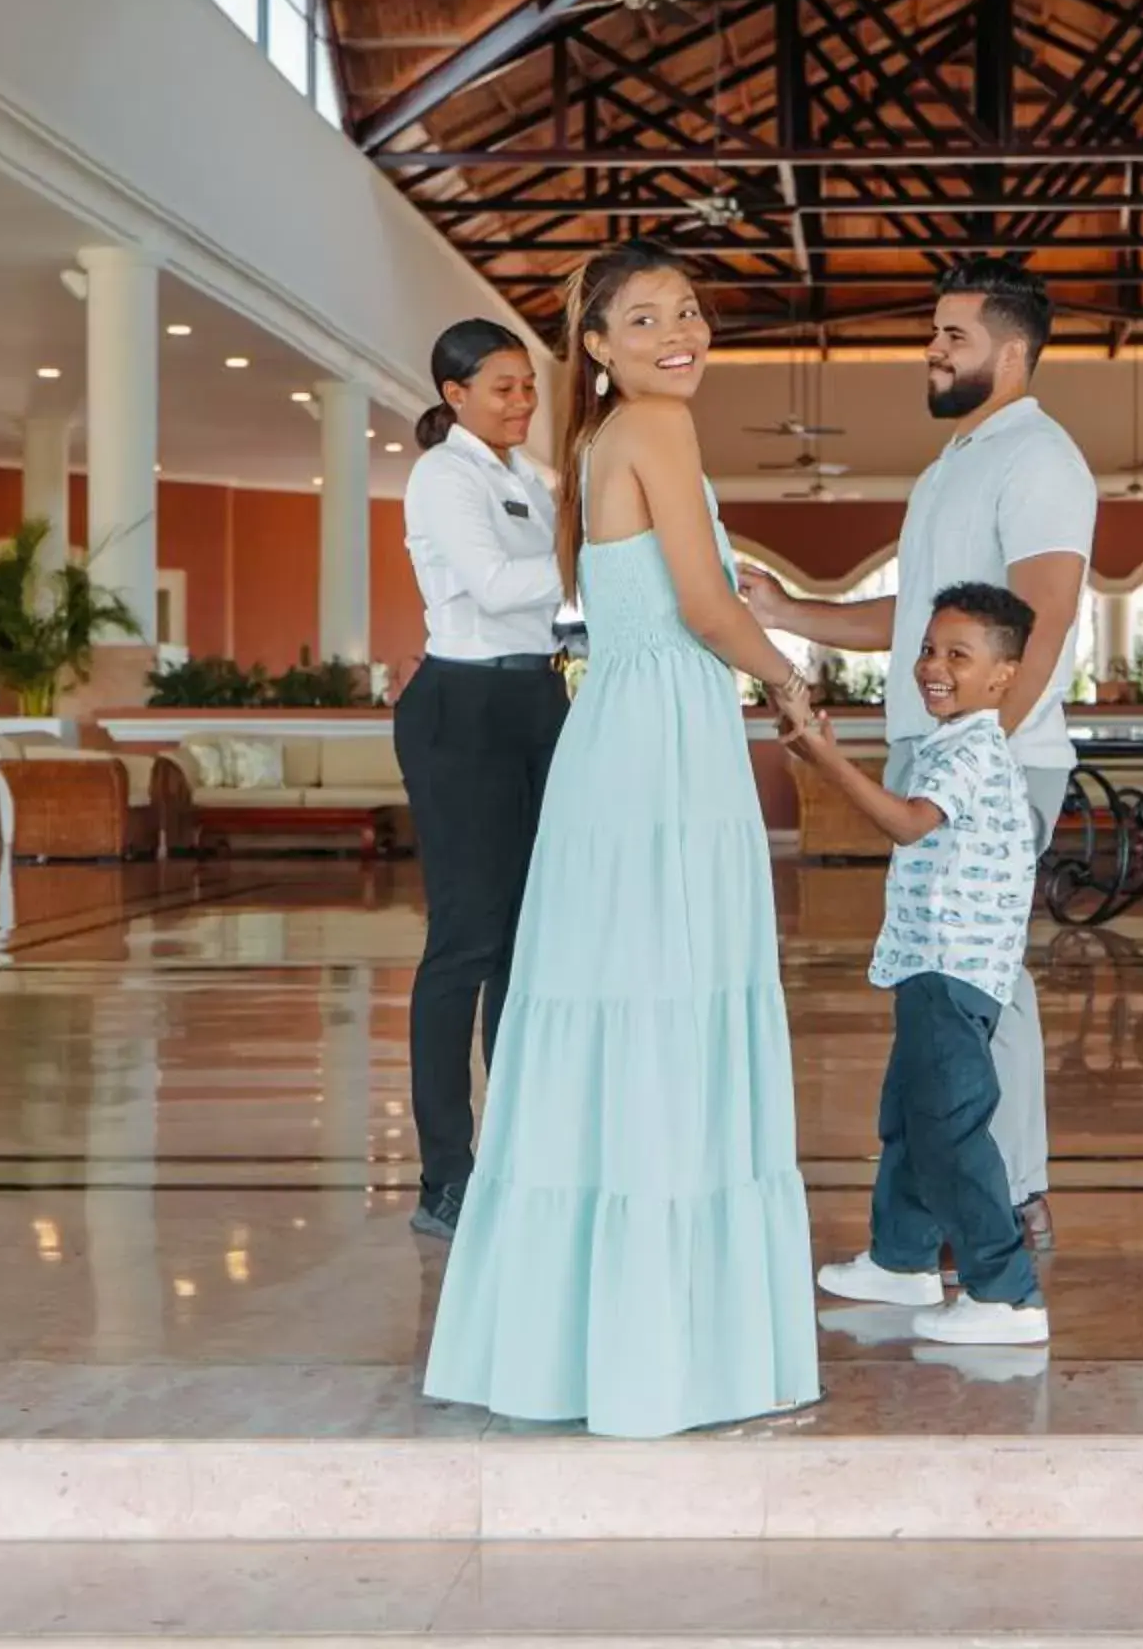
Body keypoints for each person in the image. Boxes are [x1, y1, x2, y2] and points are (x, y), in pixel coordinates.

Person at [423, 238, 823, 1438]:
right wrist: (791, 681)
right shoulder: (652, 428)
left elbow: (670, 596)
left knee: (619, 996)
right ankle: (671, 1349)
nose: (676, 334)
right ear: (594, 346)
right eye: (642, 319)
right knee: (674, 990)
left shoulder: (597, 442)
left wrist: (753, 651)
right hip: (666, 732)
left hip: (628, 727)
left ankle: (579, 1345)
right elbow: (703, 606)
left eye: (689, 312)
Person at [740, 257, 1094, 1250]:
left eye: (954, 335)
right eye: (933, 332)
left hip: (994, 759)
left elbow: (1048, 612)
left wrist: (978, 757)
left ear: (1012, 350)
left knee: (985, 982)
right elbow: (913, 623)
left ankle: (1014, 1195)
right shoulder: (954, 466)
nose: (931, 350)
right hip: (933, 750)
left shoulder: (1039, 460)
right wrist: (788, 611)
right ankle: (959, 1195)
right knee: (948, 984)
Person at [786, 583, 1051, 1348]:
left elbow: (907, 824)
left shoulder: (970, 750)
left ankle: (1005, 1293)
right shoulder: (955, 742)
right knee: (910, 1119)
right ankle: (901, 1258)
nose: (934, 666)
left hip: (953, 967)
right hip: (929, 962)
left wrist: (825, 757)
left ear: (1004, 676)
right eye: (930, 649)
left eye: (958, 656)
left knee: (949, 1131)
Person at [394, 318, 567, 1242]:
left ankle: (511, 1151)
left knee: (524, 944)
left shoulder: (524, 482)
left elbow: (550, 603)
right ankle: (444, 1176)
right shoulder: (443, 475)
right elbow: (500, 590)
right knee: (465, 943)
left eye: (528, 387)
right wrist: (594, 559)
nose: (521, 402)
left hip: (537, 704)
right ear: (455, 394)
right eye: (503, 387)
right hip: (461, 711)